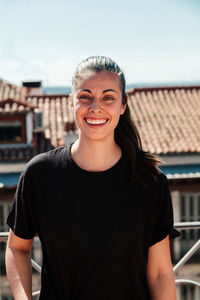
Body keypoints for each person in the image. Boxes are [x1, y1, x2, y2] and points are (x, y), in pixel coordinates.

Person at [6, 56, 179, 300]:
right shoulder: (40, 174)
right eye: (85, 96)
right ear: (71, 101)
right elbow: (17, 247)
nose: (95, 107)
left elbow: (160, 274)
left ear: (122, 105)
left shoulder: (150, 182)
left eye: (108, 97)